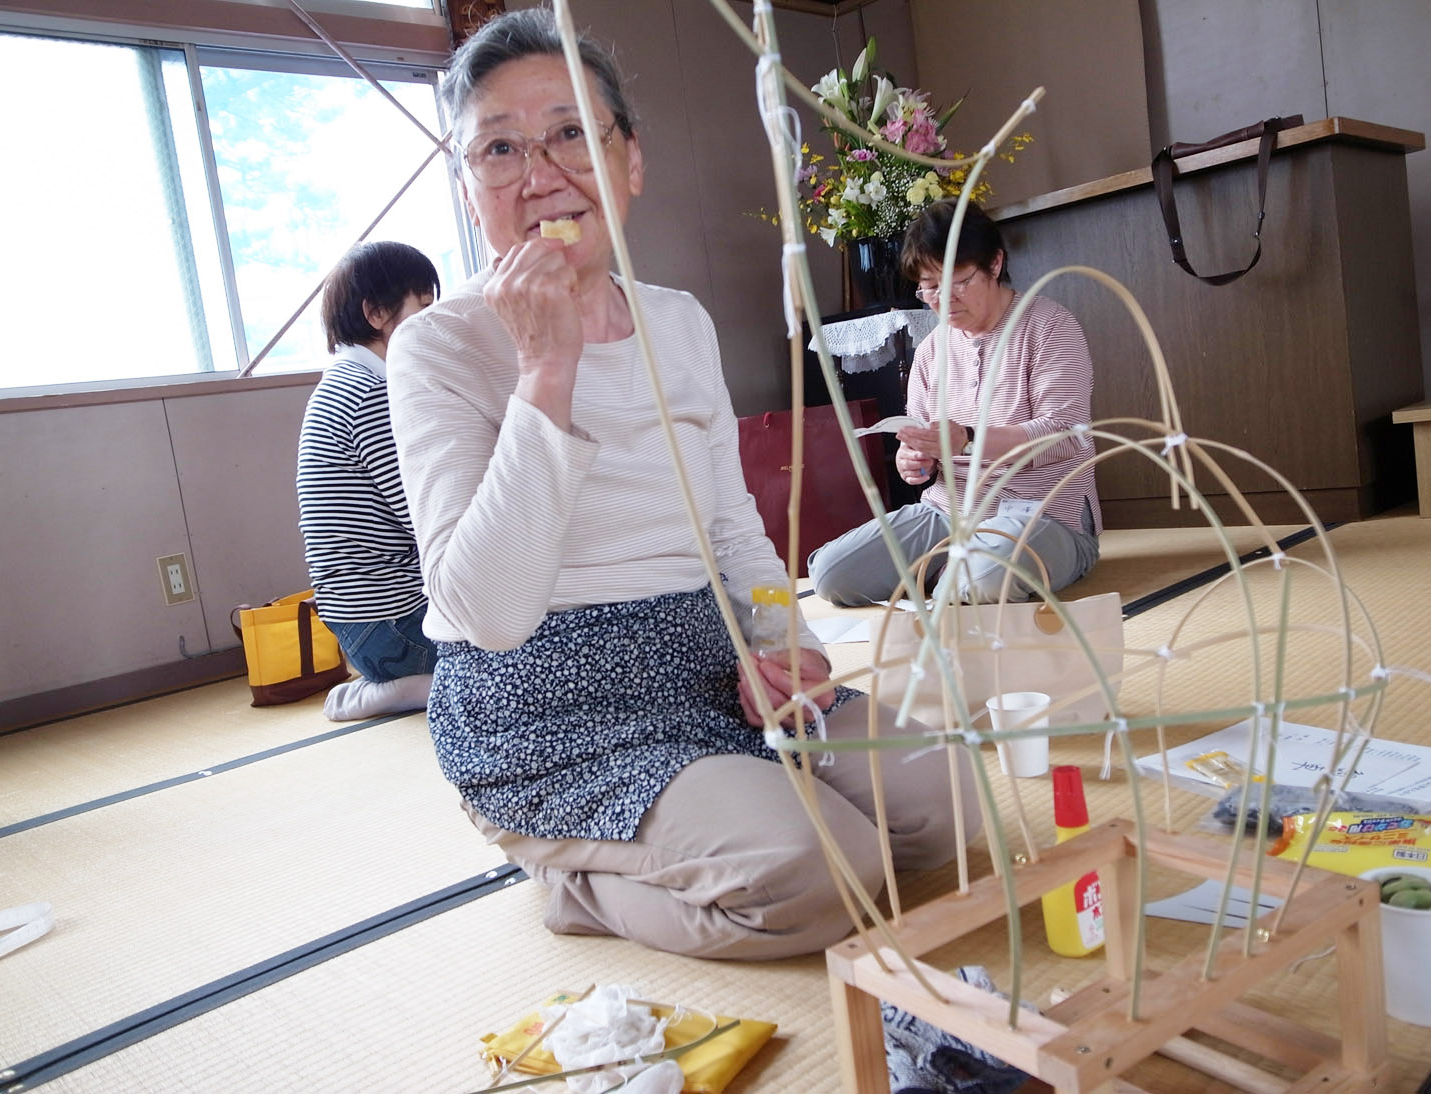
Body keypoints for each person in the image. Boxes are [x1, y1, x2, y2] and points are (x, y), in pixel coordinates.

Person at [386, 9, 981, 961]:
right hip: (546, 701)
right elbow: (485, 612)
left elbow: (733, 527)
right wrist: (546, 365)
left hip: (709, 660)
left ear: (630, 162)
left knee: (948, 805)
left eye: (571, 133)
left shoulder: (678, 322)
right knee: (823, 876)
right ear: (467, 187)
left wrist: (783, 644)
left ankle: (722, 809)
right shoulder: (436, 346)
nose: (541, 174)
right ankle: (575, 877)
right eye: (499, 148)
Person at [808, 201, 1102, 606]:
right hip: (947, 514)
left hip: (1041, 513)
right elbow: (922, 441)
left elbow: (1067, 436)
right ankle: (956, 574)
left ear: (995, 263)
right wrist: (915, 461)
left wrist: (967, 439)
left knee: (988, 574)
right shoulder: (932, 350)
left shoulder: (1050, 326)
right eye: (929, 286)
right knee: (831, 574)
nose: (943, 299)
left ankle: (959, 574)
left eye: (958, 281)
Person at [296, 240, 441, 722]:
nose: (433, 320)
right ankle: (419, 687)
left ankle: (413, 682)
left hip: (368, 626)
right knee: (539, 644)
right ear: (377, 313)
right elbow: (426, 516)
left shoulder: (345, 383)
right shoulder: (372, 395)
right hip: (393, 627)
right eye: (424, 306)